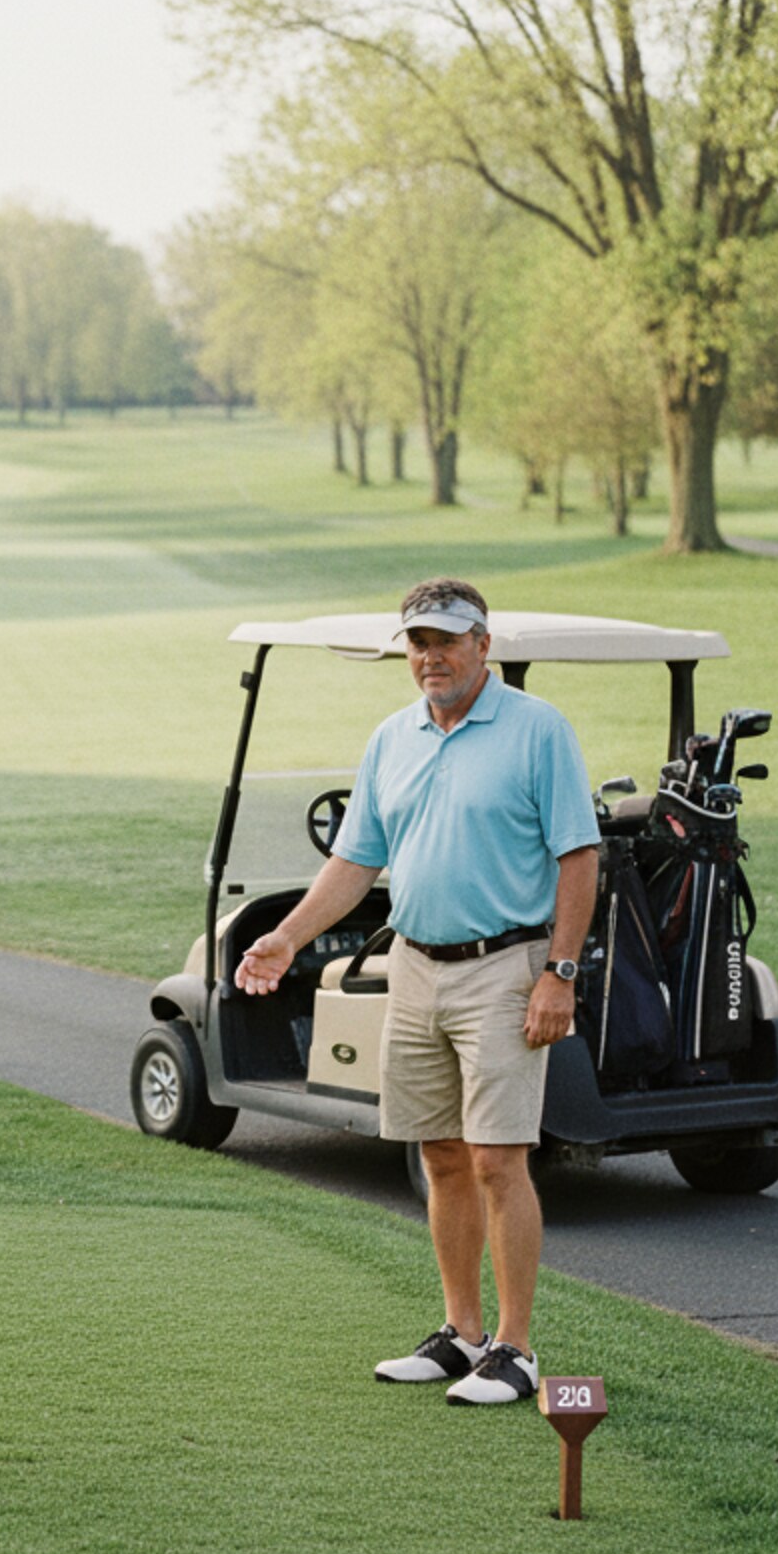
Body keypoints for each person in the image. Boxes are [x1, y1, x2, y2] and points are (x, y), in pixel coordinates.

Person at [234, 579, 600, 1405]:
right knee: (438, 1154)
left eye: (446, 641)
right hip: (415, 965)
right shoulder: (393, 738)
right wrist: (287, 935)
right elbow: (356, 860)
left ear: (483, 644)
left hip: (506, 967)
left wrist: (560, 972)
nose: (430, 657)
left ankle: (515, 1349)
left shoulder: (536, 730)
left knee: (498, 1159)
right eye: (417, 643)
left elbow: (579, 857)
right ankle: (460, 1333)